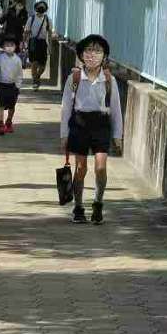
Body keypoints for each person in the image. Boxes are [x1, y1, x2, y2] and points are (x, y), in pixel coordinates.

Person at [61, 34, 123, 225]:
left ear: (104, 56)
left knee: (100, 167)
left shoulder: (109, 80)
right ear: (81, 54)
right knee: (80, 169)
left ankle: (98, 203)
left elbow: (116, 109)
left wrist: (117, 135)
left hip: (101, 125)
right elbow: (66, 108)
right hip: (80, 124)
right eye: (88, 50)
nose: (92, 54)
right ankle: (78, 206)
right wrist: (64, 134)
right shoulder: (74, 78)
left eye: (97, 51)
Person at [0, 34, 23, 136]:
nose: (9, 47)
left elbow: (19, 74)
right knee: (0, 105)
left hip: (13, 86)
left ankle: (9, 121)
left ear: (15, 46)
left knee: (11, 106)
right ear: (3, 47)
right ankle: (0, 124)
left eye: (11, 45)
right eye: (7, 45)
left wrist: (18, 86)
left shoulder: (17, 60)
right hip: (1, 85)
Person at [24, 0, 53, 90]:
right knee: (34, 63)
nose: (41, 8)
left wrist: (50, 45)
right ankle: (35, 81)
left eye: (43, 7)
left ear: (45, 9)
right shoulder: (31, 18)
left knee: (43, 65)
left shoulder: (47, 19)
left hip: (43, 43)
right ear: (36, 8)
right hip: (33, 42)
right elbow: (26, 31)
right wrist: (24, 42)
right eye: (39, 6)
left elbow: (50, 33)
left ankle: (37, 77)